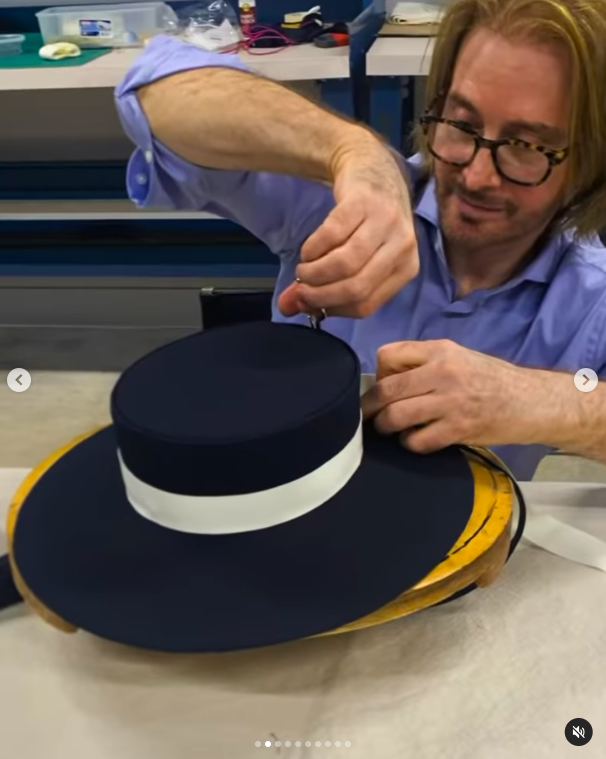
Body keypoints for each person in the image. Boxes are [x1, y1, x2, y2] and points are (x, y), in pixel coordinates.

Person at [114, 0, 606, 480]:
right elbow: (154, 89)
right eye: (462, 124)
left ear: (588, 162)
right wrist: (349, 151)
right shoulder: (347, 200)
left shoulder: (591, 299)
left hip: (464, 551)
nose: (476, 175)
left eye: (525, 147)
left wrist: (544, 401)